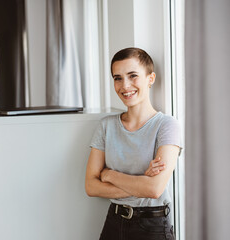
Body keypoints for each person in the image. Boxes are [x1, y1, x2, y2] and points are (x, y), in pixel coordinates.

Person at [85, 47, 182, 240]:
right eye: (118, 78)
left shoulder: (167, 126)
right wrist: (140, 184)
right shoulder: (106, 126)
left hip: (152, 227)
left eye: (133, 76)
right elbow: (91, 186)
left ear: (150, 79)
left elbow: (154, 189)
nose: (125, 85)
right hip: (114, 223)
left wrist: (108, 174)